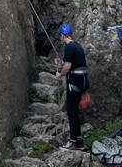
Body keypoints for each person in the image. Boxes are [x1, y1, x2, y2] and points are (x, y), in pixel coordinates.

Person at [54, 23, 88, 152]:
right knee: (74, 111)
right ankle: (79, 141)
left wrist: (60, 74)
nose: (60, 38)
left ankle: (73, 142)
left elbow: (68, 67)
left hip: (74, 82)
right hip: (82, 81)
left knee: (71, 112)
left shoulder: (69, 47)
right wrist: (61, 63)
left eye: (60, 36)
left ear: (63, 35)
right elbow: (71, 63)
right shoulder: (77, 46)